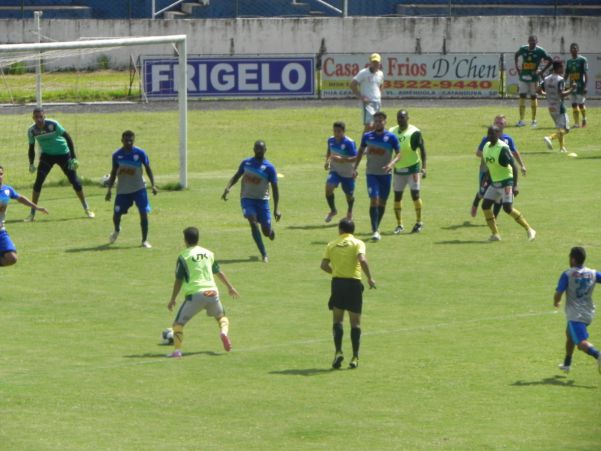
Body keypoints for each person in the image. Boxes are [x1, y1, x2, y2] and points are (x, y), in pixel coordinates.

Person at [167, 226, 239, 358]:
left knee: (178, 325)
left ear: (185, 240)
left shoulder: (183, 256)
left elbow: (178, 280)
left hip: (195, 295)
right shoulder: (208, 253)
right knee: (221, 317)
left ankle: (177, 351)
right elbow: (218, 271)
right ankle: (223, 332)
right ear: (198, 239)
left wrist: (173, 299)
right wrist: (230, 287)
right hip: (213, 293)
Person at [320, 218, 376, 369]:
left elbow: (324, 265)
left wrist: (336, 272)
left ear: (340, 230)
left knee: (337, 320)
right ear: (353, 230)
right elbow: (362, 260)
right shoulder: (358, 243)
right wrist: (370, 278)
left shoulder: (331, 244)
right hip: (353, 285)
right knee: (355, 323)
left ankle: (338, 351)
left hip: (337, 284)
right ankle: (355, 357)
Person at [25, 107, 94, 221]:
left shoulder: (53, 124)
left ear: (44, 116)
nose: (39, 119)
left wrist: (73, 158)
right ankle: (32, 214)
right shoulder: (31, 130)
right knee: (38, 183)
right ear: (33, 118)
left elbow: (68, 138)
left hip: (63, 154)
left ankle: (87, 208)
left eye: (41, 117)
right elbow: (31, 148)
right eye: (36, 117)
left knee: (75, 182)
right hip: (47, 156)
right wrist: (31, 163)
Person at [222, 140, 281, 263]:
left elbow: (275, 189)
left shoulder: (269, 168)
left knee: (265, 231)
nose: (258, 151)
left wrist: (276, 209)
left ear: (265, 150)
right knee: (252, 222)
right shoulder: (246, 163)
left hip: (262, 201)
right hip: (247, 199)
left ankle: (270, 231)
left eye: (261, 149)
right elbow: (236, 176)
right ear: (253, 149)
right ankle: (264, 254)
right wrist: (228, 188)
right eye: (257, 148)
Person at [481, 126, 536, 242]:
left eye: (492, 134)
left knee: (507, 208)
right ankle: (495, 234)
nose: (489, 136)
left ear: (498, 135)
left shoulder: (503, 148)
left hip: (506, 182)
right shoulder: (486, 147)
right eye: (488, 134)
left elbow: (514, 167)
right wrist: (485, 178)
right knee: (485, 206)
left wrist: (515, 185)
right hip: (494, 183)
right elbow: (490, 165)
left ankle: (529, 229)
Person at [105, 130, 158, 249]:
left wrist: (153, 185)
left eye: (131, 140)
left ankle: (144, 240)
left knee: (143, 213)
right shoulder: (116, 155)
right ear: (122, 140)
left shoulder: (140, 153)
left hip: (139, 188)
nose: (128, 142)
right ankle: (117, 229)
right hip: (123, 190)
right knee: (116, 214)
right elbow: (113, 172)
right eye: (126, 140)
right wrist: (109, 190)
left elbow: (148, 168)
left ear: (134, 140)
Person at [554, 246, 601, 374]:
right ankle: (567, 363)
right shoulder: (593, 273)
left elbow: (558, 293)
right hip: (588, 312)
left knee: (580, 343)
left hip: (576, 315)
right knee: (569, 334)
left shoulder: (567, 274)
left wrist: (556, 302)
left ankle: (598, 355)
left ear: (573, 259)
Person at [353, 112, 399, 241]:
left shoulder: (391, 137)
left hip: (385, 175)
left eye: (380, 121)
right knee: (374, 199)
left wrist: (391, 164)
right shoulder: (367, 136)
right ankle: (374, 230)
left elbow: (399, 154)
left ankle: (376, 226)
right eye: (376, 121)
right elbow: (360, 151)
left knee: (382, 202)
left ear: (385, 122)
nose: (378, 123)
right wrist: (355, 168)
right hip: (371, 174)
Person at [471, 115, 527, 218]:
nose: (499, 125)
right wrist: (493, 155)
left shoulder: (508, 139)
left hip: (502, 173)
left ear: (505, 125)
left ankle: (494, 218)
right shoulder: (487, 139)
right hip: (486, 170)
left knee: (500, 196)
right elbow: (478, 153)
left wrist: (522, 165)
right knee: (483, 193)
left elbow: (514, 152)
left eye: (501, 123)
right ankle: (476, 202)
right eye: (497, 123)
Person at [387, 109, 427, 234]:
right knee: (397, 197)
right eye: (399, 117)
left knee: (415, 195)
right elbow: (388, 149)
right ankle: (399, 225)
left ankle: (419, 222)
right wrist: (389, 164)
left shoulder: (414, 132)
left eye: (403, 117)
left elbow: (422, 150)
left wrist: (424, 167)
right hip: (399, 169)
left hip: (413, 168)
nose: (400, 120)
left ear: (408, 118)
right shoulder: (392, 131)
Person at [0, 165, 48, 267]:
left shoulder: (7, 190)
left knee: (12, 258)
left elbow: (20, 198)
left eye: (1, 174)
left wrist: (37, 208)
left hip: (1, 230)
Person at [514, 35, 553, 128]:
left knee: (533, 96)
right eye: (530, 41)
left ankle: (533, 121)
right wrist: (517, 67)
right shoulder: (523, 49)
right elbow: (516, 54)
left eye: (534, 41)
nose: (532, 43)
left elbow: (550, 60)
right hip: (523, 77)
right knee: (522, 96)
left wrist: (542, 71)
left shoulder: (540, 51)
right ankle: (521, 120)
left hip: (534, 78)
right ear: (528, 41)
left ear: (536, 42)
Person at [324, 121, 357, 223]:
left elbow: (356, 158)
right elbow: (329, 152)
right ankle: (333, 210)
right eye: (334, 131)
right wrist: (327, 162)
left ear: (343, 131)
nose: (336, 133)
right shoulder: (330, 140)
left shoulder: (349, 142)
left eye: (338, 131)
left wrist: (342, 159)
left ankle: (350, 212)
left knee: (349, 195)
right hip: (335, 170)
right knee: (328, 188)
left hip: (348, 172)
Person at [540, 60, 574, 154]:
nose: (563, 69)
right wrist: (572, 89)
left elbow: (538, 90)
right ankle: (550, 138)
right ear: (558, 68)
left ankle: (562, 148)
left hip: (551, 107)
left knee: (560, 128)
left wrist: (547, 94)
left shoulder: (546, 78)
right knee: (566, 129)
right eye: (562, 67)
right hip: (559, 107)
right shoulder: (560, 79)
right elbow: (561, 94)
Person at [350, 53, 384, 132]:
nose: (375, 64)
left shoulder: (380, 74)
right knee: (369, 125)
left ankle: (372, 140)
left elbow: (381, 85)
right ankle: (364, 140)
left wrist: (379, 95)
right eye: (373, 62)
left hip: (377, 102)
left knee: (376, 125)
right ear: (370, 63)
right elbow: (352, 85)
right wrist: (361, 97)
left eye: (377, 62)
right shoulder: (363, 73)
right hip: (368, 103)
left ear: (379, 63)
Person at [564, 42, 588, 128]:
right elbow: (566, 74)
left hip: (580, 86)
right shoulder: (569, 61)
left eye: (575, 48)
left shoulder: (582, 60)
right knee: (574, 104)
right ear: (570, 50)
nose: (573, 49)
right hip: (572, 86)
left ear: (578, 50)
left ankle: (584, 119)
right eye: (572, 48)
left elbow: (585, 74)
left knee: (581, 104)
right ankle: (576, 123)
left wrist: (585, 86)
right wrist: (562, 83)